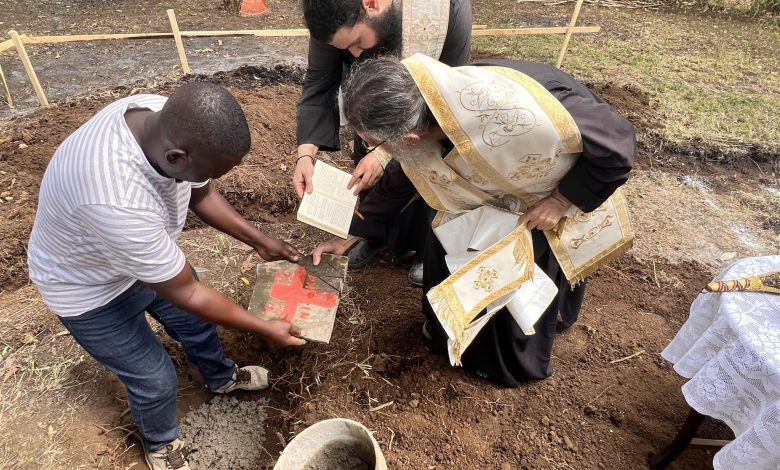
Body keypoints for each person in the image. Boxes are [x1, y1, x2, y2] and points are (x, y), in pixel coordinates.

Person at [27, 83, 306, 470]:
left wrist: (260, 241)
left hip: (138, 259)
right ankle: (161, 444)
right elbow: (188, 291)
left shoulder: (162, 116)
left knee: (198, 326)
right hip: (88, 289)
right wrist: (262, 325)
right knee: (155, 379)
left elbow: (201, 193)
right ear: (177, 157)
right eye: (207, 170)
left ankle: (221, 377)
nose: (207, 178)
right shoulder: (114, 195)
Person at [313, 55, 636, 387]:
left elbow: (619, 146)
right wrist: (354, 232)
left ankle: (504, 363)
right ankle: (446, 332)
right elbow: (407, 170)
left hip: (542, 195)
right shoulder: (426, 109)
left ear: (409, 136)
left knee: (518, 280)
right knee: (445, 244)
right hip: (486, 196)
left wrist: (561, 199)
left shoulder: (524, 112)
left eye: (374, 144)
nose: (374, 150)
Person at [293, 0, 472, 286]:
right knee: (368, 155)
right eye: (344, 49)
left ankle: (427, 248)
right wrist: (305, 154)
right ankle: (372, 234)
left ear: (372, 4)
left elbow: (446, 93)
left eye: (356, 42)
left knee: (426, 170)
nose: (353, 54)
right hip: (373, 104)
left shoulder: (445, 9)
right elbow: (320, 81)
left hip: (426, 110)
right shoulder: (330, 9)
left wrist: (386, 152)